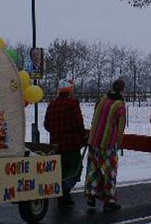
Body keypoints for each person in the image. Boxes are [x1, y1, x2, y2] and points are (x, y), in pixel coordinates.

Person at [85, 79, 127, 211]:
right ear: (122, 90)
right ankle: (109, 201)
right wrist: (118, 143)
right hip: (108, 143)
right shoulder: (120, 105)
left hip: (94, 140)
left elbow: (95, 118)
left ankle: (91, 195)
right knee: (109, 172)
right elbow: (120, 127)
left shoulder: (102, 100)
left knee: (93, 169)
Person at [44, 78, 86, 207]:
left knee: (61, 170)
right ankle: (64, 190)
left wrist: (56, 132)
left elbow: (46, 125)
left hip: (56, 145)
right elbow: (78, 123)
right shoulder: (72, 104)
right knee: (75, 169)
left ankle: (62, 196)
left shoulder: (52, 104)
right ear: (69, 90)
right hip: (71, 144)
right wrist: (83, 136)